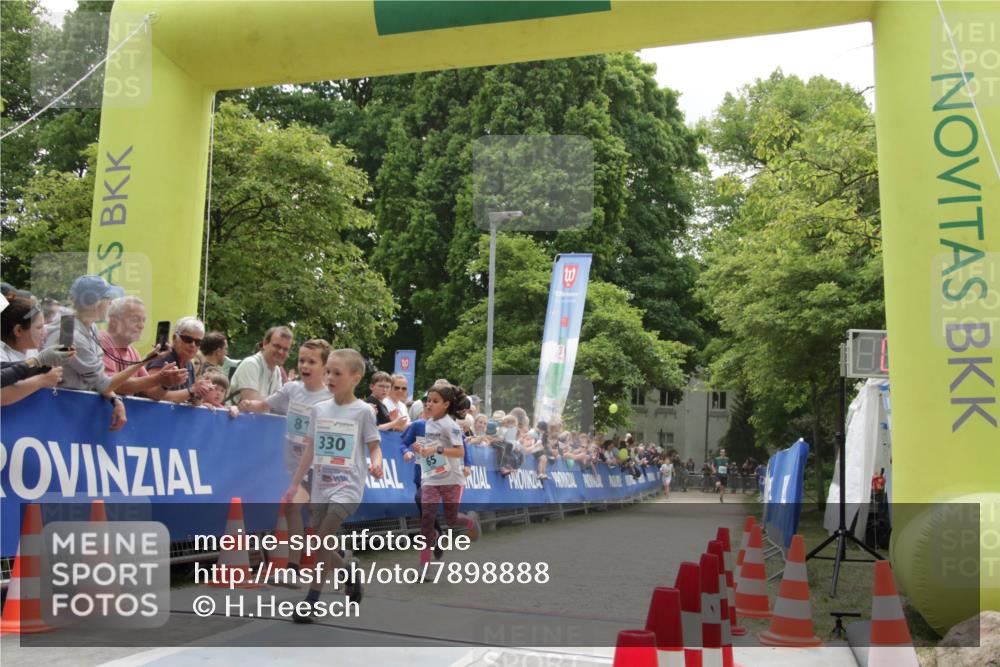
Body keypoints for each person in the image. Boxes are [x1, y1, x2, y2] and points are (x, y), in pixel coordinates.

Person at [284, 348, 383, 622]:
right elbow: (310, 450)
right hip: (321, 486)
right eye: (328, 371)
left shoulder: (363, 411)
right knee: (320, 543)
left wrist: (377, 463)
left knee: (323, 540)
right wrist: (295, 484)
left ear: (355, 378)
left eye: (337, 373)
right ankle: (348, 571)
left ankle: (311, 602)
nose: (329, 377)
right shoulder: (319, 410)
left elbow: (374, 446)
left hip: (348, 487)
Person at [241, 339, 333, 572]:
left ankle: (297, 566)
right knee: (304, 516)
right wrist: (246, 404)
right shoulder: (292, 389)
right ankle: (336, 565)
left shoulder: (330, 398)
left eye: (312, 362)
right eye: (302, 360)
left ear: (325, 367)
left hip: (318, 468)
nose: (305, 365)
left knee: (298, 511)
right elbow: (265, 405)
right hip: (295, 465)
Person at [43, 275, 151, 431]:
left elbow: (99, 381)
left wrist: (114, 400)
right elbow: (104, 383)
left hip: (70, 407)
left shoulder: (89, 326)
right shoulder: (71, 333)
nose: (110, 303)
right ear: (96, 303)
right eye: (108, 298)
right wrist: (143, 362)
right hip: (59, 410)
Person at [414, 383, 480, 569]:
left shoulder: (451, 426)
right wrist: (421, 449)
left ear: (446, 404)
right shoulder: (428, 423)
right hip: (431, 478)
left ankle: (470, 521)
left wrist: (437, 449)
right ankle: (424, 567)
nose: (429, 404)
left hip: (451, 479)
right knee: (427, 520)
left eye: (435, 401)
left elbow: (459, 452)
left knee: (452, 520)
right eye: (428, 401)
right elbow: (431, 449)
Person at [99, 296, 189, 401]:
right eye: (135, 319)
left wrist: (166, 384)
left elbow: (151, 394)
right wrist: (158, 378)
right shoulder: (101, 340)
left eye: (143, 320)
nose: (141, 326)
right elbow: (111, 384)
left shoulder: (133, 352)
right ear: (115, 321)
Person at [146, 316, 213, 404]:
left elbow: (191, 400)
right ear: (174, 338)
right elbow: (150, 393)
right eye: (188, 339)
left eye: (198, 342)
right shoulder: (163, 357)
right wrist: (191, 390)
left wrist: (200, 393)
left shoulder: (189, 364)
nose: (193, 345)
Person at [229, 325, 292, 403]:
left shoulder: (277, 371)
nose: (281, 352)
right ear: (265, 344)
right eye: (277, 346)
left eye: (285, 349)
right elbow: (251, 403)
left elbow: (278, 403)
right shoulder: (251, 364)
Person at [1, 298, 44, 362]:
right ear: (18, 330)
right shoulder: (2, 356)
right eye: (39, 327)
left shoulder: (30, 348)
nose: (44, 333)